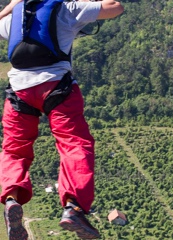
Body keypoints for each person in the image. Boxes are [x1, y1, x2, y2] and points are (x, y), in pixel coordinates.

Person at [0, 0, 124, 239]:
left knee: (15, 149)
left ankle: (12, 199)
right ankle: (73, 208)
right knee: (75, 144)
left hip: (18, 92)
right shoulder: (67, 9)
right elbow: (115, 7)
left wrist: (13, 5)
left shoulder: (15, 19)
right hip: (56, 88)